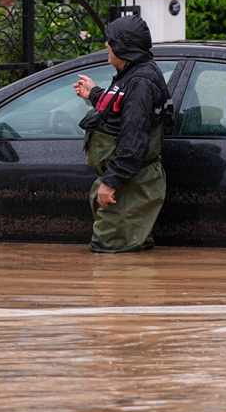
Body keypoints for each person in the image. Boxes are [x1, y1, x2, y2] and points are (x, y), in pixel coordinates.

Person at [74, 15, 172, 253]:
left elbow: (133, 138)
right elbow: (122, 108)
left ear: (123, 47)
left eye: (111, 41)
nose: (107, 44)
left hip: (130, 182)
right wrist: (94, 93)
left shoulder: (141, 81)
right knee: (126, 252)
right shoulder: (133, 74)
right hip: (128, 181)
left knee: (110, 255)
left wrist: (112, 182)